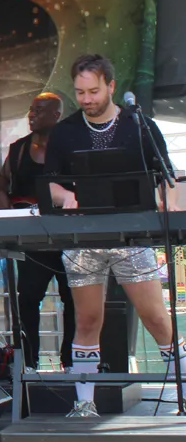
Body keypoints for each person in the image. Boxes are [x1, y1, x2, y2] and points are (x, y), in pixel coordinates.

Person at [44, 54, 181, 417]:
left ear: (111, 86)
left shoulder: (140, 125)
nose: (86, 99)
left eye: (93, 91)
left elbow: (165, 176)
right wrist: (66, 196)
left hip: (132, 235)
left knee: (156, 318)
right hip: (83, 237)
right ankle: (84, 402)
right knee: (87, 320)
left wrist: (168, 204)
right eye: (80, 92)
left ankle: (183, 390)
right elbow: (50, 183)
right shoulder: (65, 131)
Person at [0, 92, 75, 371]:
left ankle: (70, 363)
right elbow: (1, 183)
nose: (32, 115)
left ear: (56, 115)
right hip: (32, 241)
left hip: (68, 239)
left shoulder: (69, 148)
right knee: (28, 300)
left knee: (73, 300)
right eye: (31, 109)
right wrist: (7, 216)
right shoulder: (18, 149)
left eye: (39, 110)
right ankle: (29, 364)